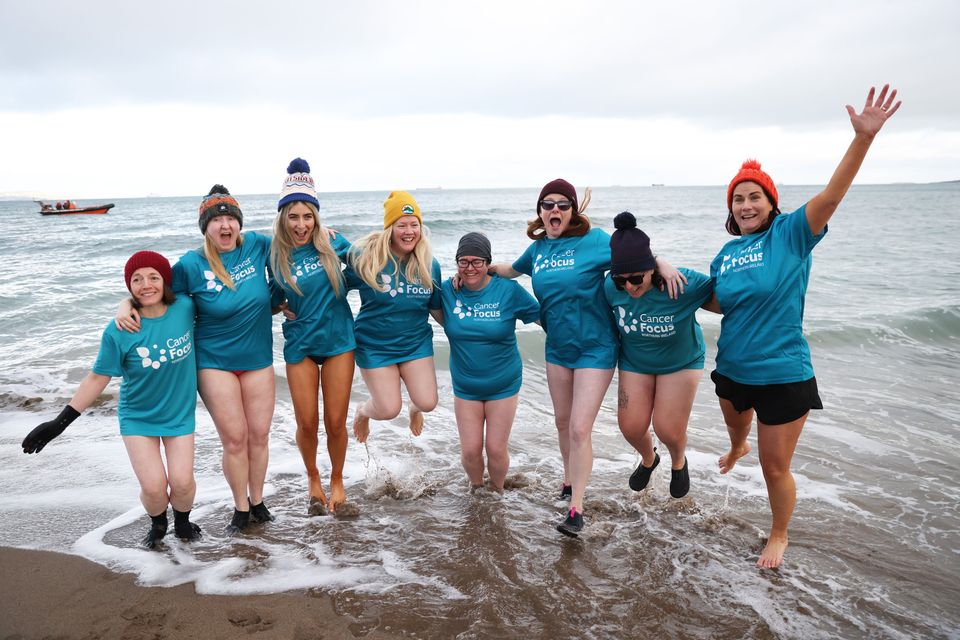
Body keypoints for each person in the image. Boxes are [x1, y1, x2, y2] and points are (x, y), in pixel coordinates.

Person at [711, 85, 901, 568]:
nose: (746, 205)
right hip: (732, 368)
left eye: (754, 197)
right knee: (737, 432)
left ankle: (779, 533)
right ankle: (737, 445)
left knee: (775, 467)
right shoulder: (727, 253)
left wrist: (863, 139)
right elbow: (717, 300)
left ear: (771, 203)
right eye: (738, 199)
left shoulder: (792, 233)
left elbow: (833, 195)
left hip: (782, 373)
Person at [488, 179, 684, 537]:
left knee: (580, 428)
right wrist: (477, 271)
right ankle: (568, 480)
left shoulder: (594, 242)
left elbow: (633, 256)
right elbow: (510, 271)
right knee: (563, 423)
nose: (555, 210)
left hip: (597, 348)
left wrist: (663, 264)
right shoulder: (538, 251)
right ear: (540, 211)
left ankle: (576, 508)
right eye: (548, 204)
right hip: (558, 350)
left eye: (563, 204)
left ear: (573, 210)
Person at [118, 186, 281, 534]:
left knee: (259, 436)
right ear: (205, 226)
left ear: (239, 223)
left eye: (230, 219)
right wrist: (124, 305)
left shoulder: (257, 246)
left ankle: (258, 500)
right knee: (235, 439)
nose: (225, 226)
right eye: (217, 219)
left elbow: (295, 249)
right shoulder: (193, 264)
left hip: (258, 358)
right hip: (214, 361)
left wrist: (328, 235)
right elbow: (153, 291)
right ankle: (240, 507)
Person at [23, 251, 201, 548]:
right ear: (129, 286)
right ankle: (158, 524)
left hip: (179, 414)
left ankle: (182, 523)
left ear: (165, 282)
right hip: (137, 417)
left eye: (154, 277)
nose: (146, 285)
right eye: (137, 279)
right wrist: (59, 423)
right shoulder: (119, 329)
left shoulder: (185, 307)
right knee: (154, 488)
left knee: (182, 482)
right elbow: (97, 378)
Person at [604, 212, 717, 500]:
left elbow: (728, 297)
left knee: (667, 429)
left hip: (681, 362)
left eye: (635, 278)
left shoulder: (680, 283)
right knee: (630, 427)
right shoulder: (610, 287)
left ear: (650, 269)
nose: (629, 287)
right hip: (636, 362)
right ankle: (649, 459)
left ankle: (679, 461)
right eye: (621, 281)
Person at [271, 158, 355, 515]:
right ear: (283, 218)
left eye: (308, 216)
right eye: (294, 217)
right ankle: (312, 477)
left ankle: (337, 480)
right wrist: (280, 308)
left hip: (338, 341)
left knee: (335, 421)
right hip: (300, 344)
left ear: (317, 217)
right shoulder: (273, 254)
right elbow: (268, 299)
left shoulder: (335, 243)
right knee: (307, 422)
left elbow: (371, 264)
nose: (301, 225)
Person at [438, 232, 540, 492]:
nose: (470, 268)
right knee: (471, 451)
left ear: (488, 263)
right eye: (464, 262)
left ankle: (497, 493)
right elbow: (416, 307)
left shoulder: (508, 290)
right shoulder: (447, 290)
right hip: (466, 385)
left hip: (503, 383)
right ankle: (476, 491)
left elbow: (544, 318)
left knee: (495, 449)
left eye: (477, 262)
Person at [347, 191, 442, 443]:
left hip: (415, 344)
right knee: (389, 409)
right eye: (402, 225)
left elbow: (436, 308)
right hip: (375, 345)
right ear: (390, 228)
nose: (409, 231)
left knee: (427, 402)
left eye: (414, 225)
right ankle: (362, 411)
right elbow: (334, 287)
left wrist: (468, 331)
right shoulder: (367, 259)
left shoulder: (429, 265)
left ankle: (415, 408)